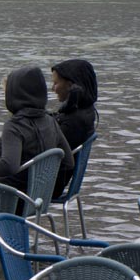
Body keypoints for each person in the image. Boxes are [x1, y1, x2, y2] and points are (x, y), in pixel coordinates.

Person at [0, 66, 74, 194]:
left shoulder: (14, 126)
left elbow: (8, 165)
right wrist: (49, 190)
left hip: (11, 199)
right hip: (38, 199)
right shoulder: (50, 121)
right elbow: (69, 163)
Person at [51, 59, 99, 195]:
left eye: (55, 83)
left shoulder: (74, 122)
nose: (52, 88)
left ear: (71, 86)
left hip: (47, 185)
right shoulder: (86, 112)